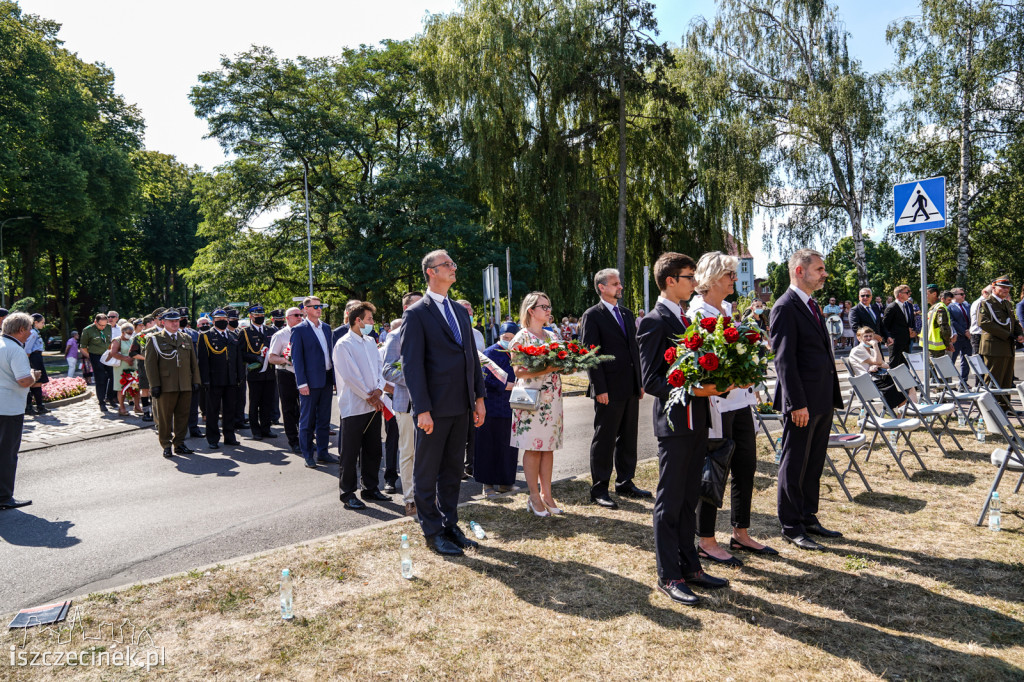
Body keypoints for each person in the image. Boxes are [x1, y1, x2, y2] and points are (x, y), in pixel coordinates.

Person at [637, 252, 730, 606]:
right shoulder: (654, 321)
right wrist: (695, 388)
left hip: (697, 420)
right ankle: (669, 574)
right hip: (676, 423)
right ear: (671, 280)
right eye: (690, 277)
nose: (695, 283)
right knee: (670, 500)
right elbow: (652, 381)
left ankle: (690, 566)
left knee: (690, 498)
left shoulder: (682, 317)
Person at [690, 252, 777, 567]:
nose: (733, 280)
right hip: (717, 403)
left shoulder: (727, 309)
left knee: (746, 466)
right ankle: (706, 539)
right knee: (715, 471)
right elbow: (701, 363)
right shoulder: (697, 313)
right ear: (713, 278)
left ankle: (741, 532)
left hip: (741, 401)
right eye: (729, 274)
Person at [400, 249, 485, 557]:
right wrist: (422, 408)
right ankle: (432, 531)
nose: (453, 267)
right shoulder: (416, 313)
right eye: (447, 264)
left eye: (452, 262)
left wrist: (479, 398)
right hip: (433, 409)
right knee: (426, 472)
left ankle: (450, 524)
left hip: (461, 405)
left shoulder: (460, 311)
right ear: (431, 272)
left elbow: (471, 358)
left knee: (451, 471)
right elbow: (412, 366)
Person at [769, 248, 844, 551]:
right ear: (800, 271)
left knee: (813, 461)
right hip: (802, 401)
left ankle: (808, 515)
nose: (824, 274)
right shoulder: (785, 307)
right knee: (795, 460)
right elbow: (784, 360)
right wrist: (796, 403)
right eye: (819, 269)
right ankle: (791, 525)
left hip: (821, 397)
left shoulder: (812, 304)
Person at [578, 268, 647, 509]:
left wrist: (639, 382)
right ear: (602, 287)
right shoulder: (592, 315)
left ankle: (625, 482)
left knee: (629, 437)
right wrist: (599, 388)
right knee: (605, 438)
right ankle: (599, 489)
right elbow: (590, 355)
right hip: (608, 388)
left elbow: (634, 351)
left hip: (629, 386)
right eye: (615, 283)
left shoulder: (627, 314)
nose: (620, 287)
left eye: (620, 283)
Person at [509, 292, 565, 518]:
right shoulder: (520, 338)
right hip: (531, 401)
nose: (548, 310)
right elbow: (518, 371)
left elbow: (561, 363)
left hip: (553, 399)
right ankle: (533, 496)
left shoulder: (552, 337)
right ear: (531, 310)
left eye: (549, 306)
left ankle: (547, 494)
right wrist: (549, 369)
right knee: (533, 447)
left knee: (548, 447)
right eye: (544, 306)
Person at [334, 301, 389, 510]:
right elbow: (350, 375)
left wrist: (379, 390)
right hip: (354, 405)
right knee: (350, 452)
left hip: (373, 404)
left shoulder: (369, 342)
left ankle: (371, 487)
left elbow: (378, 368)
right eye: (369, 319)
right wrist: (369, 395)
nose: (372, 323)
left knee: (373, 449)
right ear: (357, 320)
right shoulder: (343, 344)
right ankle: (347, 493)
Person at [381, 292, 424, 517]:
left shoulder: (430, 332)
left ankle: (427, 497)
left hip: (432, 404)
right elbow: (387, 370)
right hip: (406, 403)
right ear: (407, 308)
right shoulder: (396, 335)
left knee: (428, 453)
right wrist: (418, 379)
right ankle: (409, 499)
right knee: (408, 452)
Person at [144, 309, 201, 458]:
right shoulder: (154, 339)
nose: (175, 323)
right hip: (166, 385)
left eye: (177, 320)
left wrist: (196, 380)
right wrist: (154, 385)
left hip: (185, 383)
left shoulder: (186, 338)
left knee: (183, 416)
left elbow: (193, 362)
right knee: (165, 417)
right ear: (163, 322)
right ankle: (166, 444)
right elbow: (150, 365)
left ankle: (180, 443)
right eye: (171, 321)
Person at [291, 296, 340, 468]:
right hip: (309, 383)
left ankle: (323, 452)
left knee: (324, 419)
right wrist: (301, 383)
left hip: (326, 379)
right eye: (315, 306)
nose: (319, 309)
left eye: (320, 306)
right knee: (307, 420)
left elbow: (330, 354)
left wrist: (334, 379)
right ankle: (307, 455)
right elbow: (297, 359)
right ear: (305, 309)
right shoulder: (299, 330)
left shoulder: (326, 328)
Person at [474, 321, 519, 498]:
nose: (508, 341)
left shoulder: (519, 353)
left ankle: (506, 482)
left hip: (512, 407)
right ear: (499, 336)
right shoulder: (490, 352)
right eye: (505, 338)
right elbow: (482, 377)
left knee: (509, 446)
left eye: (512, 338)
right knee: (488, 446)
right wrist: (504, 385)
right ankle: (487, 485)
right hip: (492, 406)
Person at [0, 313, 40, 509]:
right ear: (21, 330)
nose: (31, 332)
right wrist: (34, 374)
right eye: (29, 328)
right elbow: (24, 380)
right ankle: (4, 497)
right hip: (9, 408)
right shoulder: (15, 350)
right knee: (7, 454)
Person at [198, 309, 245, 449]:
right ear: (213, 321)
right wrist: (204, 380)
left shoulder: (233, 335)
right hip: (214, 379)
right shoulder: (206, 336)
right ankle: (212, 438)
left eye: (224, 318)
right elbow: (203, 361)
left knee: (230, 409)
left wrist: (239, 376)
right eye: (218, 319)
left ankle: (229, 436)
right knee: (213, 410)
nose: (222, 321)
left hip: (231, 379)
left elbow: (237, 358)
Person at [267, 307, 304, 454]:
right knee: (289, 409)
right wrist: (285, 359)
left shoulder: (305, 332)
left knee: (305, 409)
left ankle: (305, 439)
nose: (300, 317)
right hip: (286, 373)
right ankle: (293, 441)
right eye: (296, 315)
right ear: (288, 318)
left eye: (301, 315)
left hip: (303, 374)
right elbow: (271, 357)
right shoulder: (280, 335)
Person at [979, 276, 1024, 395]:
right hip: (994, 348)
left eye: (1008, 288)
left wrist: (1019, 334)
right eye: (1003, 287)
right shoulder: (986, 303)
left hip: (1007, 347)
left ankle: (1004, 408)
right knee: (993, 379)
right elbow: (984, 323)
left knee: (1007, 380)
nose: (1006, 290)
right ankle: (992, 410)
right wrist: (1008, 335)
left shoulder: (1007, 304)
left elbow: (1013, 321)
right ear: (993, 288)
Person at [457, 298, 487, 477]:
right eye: (465, 310)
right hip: (458, 387)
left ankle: (471, 464)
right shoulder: (452, 331)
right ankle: (457, 466)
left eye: (470, 311)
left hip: (474, 384)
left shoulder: (477, 334)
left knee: (473, 429)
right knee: (459, 431)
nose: (469, 314)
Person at [240, 305, 278, 441]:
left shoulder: (271, 330)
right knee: (255, 403)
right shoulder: (245, 332)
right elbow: (241, 353)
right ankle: (255, 430)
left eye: (262, 315)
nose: (260, 317)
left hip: (270, 372)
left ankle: (266, 428)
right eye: (257, 315)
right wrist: (255, 357)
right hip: (255, 373)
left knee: (268, 402)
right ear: (250, 316)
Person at [849, 327, 909, 409]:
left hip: (877, 378)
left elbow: (885, 365)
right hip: (868, 381)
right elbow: (878, 361)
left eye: (871, 336)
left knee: (907, 382)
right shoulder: (857, 350)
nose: (869, 338)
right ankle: (903, 414)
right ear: (859, 338)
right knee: (901, 386)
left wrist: (877, 365)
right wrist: (875, 345)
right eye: (866, 336)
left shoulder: (872, 351)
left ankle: (907, 413)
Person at [128, 316, 156, 423]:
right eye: (152, 323)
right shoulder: (140, 336)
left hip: (156, 367)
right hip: (144, 367)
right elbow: (132, 353)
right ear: (147, 324)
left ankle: (155, 412)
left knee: (155, 389)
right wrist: (146, 358)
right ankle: (146, 413)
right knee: (145, 390)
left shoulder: (157, 335)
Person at [109, 321, 140, 416]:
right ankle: (122, 407)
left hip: (133, 366)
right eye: (128, 333)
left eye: (131, 333)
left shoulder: (132, 340)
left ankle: (137, 406)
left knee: (135, 387)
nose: (130, 335)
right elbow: (113, 353)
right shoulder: (117, 340)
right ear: (123, 332)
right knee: (122, 388)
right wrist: (126, 358)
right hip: (121, 367)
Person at [883, 284, 918, 368]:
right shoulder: (892, 307)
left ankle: (905, 381)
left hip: (905, 341)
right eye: (907, 292)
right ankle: (890, 381)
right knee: (894, 364)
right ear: (900, 294)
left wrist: (911, 330)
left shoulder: (906, 306)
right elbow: (884, 325)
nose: (909, 294)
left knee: (905, 365)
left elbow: (906, 322)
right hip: (895, 342)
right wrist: (886, 339)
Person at [24, 314, 48, 415]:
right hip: (34, 357)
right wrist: (27, 361)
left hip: (37, 357)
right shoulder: (33, 333)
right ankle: (32, 406)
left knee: (37, 382)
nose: (44, 324)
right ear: (35, 323)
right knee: (35, 382)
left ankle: (38, 405)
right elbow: (27, 348)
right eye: (42, 322)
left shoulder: (35, 332)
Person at [925, 285, 955, 359]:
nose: (925, 296)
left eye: (926, 294)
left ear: (934, 294)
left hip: (937, 349)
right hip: (932, 347)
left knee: (934, 370)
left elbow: (944, 328)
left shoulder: (939, 308)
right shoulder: (934, 307)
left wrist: (948, 343)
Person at [970, 285, 992, 358]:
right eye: (991, 293)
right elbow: (980, 321)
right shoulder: (981, 303)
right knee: (980, 361)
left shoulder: (984, 302)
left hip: (980, 334)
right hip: (978, 334)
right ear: (985, 292)